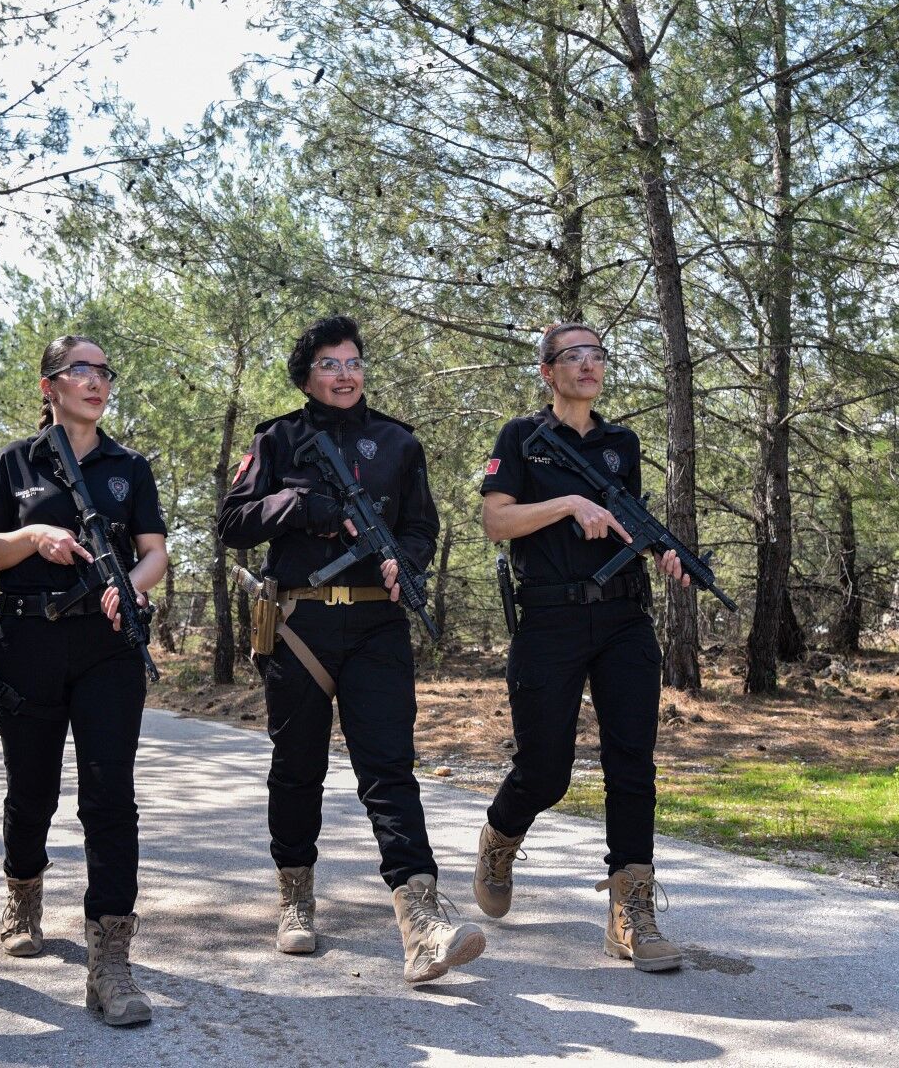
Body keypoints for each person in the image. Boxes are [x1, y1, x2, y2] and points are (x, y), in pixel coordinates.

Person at [216, 315, 485, 985]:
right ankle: (295, 895)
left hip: (376, 625)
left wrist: (406, 562)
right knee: (297, 766)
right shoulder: (277, 439)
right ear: (306, 376)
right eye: (330, 364)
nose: (345, 374)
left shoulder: (397, 442)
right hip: (298, 624)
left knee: (389, 770)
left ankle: (421, 921)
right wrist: (301, 507)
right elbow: (233, 523)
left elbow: (421, 528)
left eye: (354, 362)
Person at [473, 322, 691, 972]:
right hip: (549, 618)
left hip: (624, 617)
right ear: (547, 371)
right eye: (573, 355)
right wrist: (568, 502)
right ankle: (498, 838)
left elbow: (628, 523)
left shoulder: (622, 444)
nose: (588, 364)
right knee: (545, 771)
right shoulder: (520, 438)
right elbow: (495, 521)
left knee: (632, 765)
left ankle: (631, 915)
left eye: (597, 353)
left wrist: (661, 552)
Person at [0, 334, 168, 1027]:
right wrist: (32, 538)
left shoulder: (128, 467)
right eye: (80, 369)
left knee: (110, 798)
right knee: (32, 793)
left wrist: (133, 586)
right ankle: (23, 890)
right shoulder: (14, 462)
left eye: (104, 371)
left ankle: (110, 959)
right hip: (28, 642)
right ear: (49, 384)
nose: (96, 381)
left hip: (108, 646)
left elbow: (155, 551)